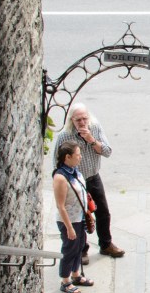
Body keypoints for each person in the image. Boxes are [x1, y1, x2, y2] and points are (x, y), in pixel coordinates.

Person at [53, 102, 125, 263]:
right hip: (75, 181)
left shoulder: (95, 128)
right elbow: (56, 162)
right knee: (80, 216)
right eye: (78, 120)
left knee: (103, 212)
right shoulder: (65, 137)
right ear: (72, 120)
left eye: (84, 118)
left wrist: (91, 139)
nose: (82, 122)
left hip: (93, 177)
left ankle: (106, 244)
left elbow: (107, 151)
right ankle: (82, 249)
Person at [53, 140, 95, 293]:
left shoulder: (74, 171)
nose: (80, 157)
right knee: (69, 249)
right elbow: (60, 206)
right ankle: (65, 281)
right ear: (67, 157)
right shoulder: (60, 178)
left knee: (79, 246)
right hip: (69, 220)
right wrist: (69, 227)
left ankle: (76, 275)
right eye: (77, 155)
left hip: (79, 217)